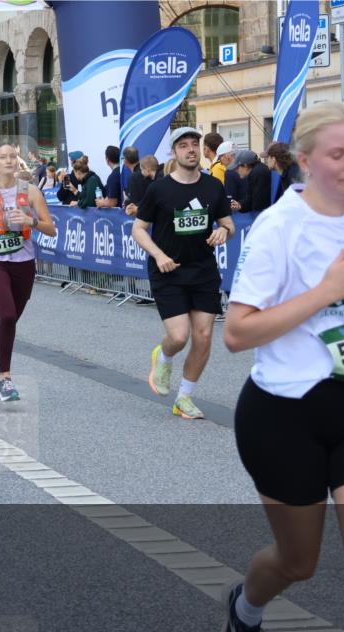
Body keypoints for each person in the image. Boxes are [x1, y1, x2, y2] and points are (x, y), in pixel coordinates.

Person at [222, 101, 344, 632]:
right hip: (285, 414)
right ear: (305, 160)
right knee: (297, 562)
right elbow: (237, 331)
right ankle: (246, 607)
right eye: (339, 154)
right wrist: (326, 293)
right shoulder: (278, 227)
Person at [131, 127, 235, 419]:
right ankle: (163, 356)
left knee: (203, 338)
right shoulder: (160, 189)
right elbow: (138, 229)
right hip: (169, 271)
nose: (191, 150)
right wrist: (159, 255)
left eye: (194, 144)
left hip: (203, 271)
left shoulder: (213, 186)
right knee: (179, 337)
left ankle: (184, 398)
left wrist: (223, 231)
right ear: (174, 153)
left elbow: (229, 224)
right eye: (184, 146)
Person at [0, 143, 57, 401]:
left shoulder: (32, 193)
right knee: (6, 314)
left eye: (12, 156)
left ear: (17, 162)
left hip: (23, 264)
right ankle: (5, 377)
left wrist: (31, 221)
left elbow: (51, 229)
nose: (8, 160)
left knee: (12, 319)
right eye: (2, 157)